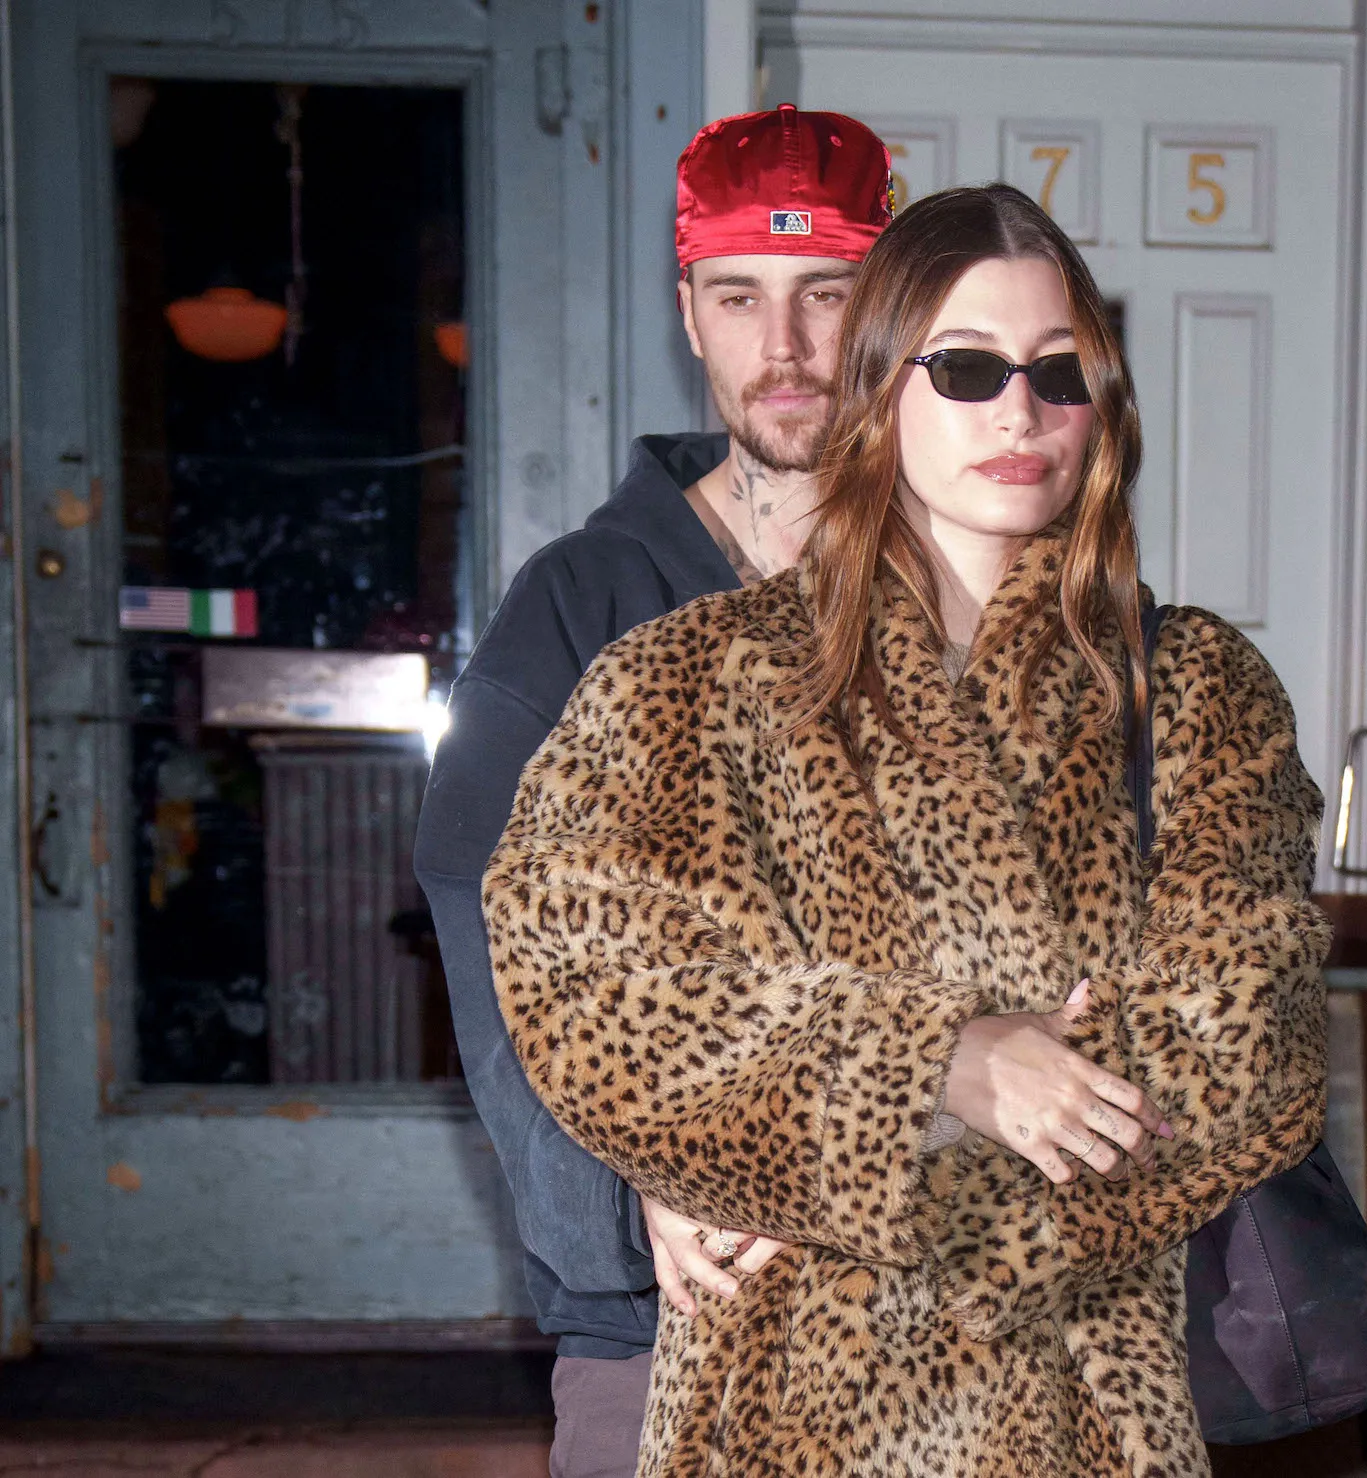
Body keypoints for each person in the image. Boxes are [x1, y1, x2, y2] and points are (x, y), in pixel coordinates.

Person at [483, 184, 1332, 1476]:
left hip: (1088, 1425)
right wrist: (940, 1067)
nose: (1019, 410)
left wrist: (814, 1160)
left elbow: (1248, 1045)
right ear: (880, 387)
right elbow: (591, 987)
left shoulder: (1199, 691)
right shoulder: (696, 686)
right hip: (782, 1429)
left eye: (1061, 374)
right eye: (970, 367)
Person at [413, 104, 892, 1478]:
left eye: (827, 295)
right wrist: (627, 1200)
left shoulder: (959, 583)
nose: (785, 349)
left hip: (930, 1311)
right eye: (740, 297)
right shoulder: (578, 603)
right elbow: (485, 911)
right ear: (690, 315)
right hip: (667, 1314)